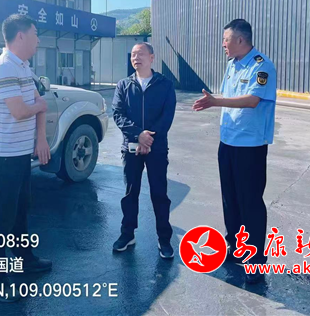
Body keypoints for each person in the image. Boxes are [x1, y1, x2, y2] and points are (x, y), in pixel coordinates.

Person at [192, 19, 276, 284]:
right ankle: (235, 246)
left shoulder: (262, 66)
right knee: (230, 199)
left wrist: (215, 101)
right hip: (227, 142)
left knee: (250, 202)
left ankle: (255, 262)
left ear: (240, 40)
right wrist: (215, 101)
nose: (223, 44)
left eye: (226, 39)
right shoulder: (232, 65)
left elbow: (252, 100)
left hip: (250, 146)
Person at [0, 14, 52, 302]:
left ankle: (25, 259)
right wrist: (39, 105)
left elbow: (37, 103)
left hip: (20, 151)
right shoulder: (3, 68)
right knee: (4, 214)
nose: (38, 40)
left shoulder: (22, 66)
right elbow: (22, 110)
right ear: (20, 35)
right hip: (5, 153)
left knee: (21, 206)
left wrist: (40, 138)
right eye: (35, 33)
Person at [112, 42, 177, 259]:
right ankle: (127, 234)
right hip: (131, 147)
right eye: (133, 54)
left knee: (159, 193)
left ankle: (164, 239)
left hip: (156, 148)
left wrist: (148, 139)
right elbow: (118, 114)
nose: (136, 58)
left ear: (152, 57)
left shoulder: (165, 85)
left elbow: (167, 116)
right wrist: (138, 134)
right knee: (130, 192)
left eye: (140, 54)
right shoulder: (124, 85)